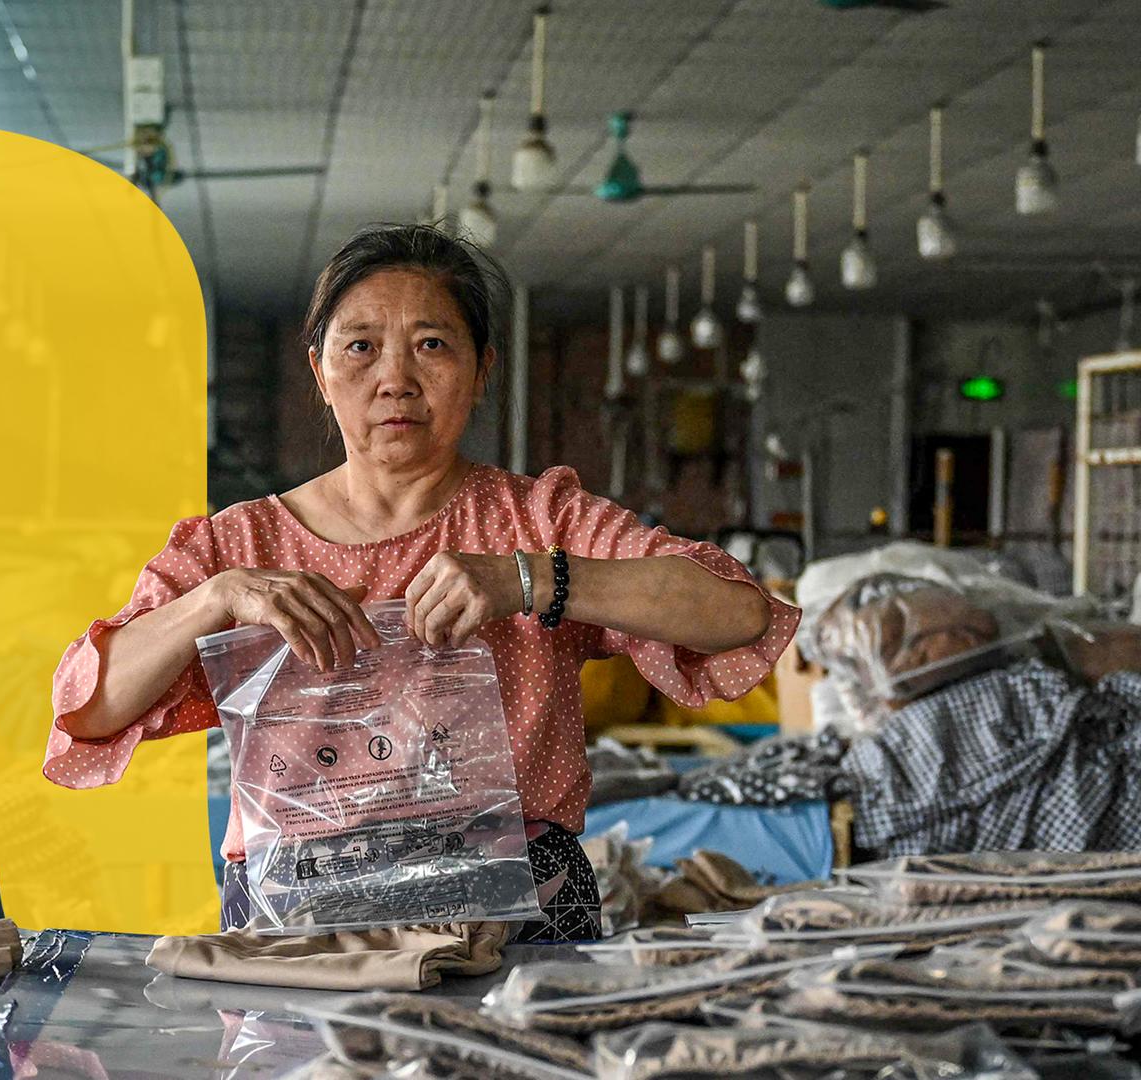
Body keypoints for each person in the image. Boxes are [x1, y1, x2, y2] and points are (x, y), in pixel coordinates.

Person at [42, 223, 799, 941]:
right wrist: (216, 600)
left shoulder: (540, 519)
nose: (394, 380)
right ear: (321, 372)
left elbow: (737, 614)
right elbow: (90, 704)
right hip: (298, 913)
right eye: (360, 348)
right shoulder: (240, 545)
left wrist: (533, 579)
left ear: (480, 370)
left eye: (431, 345)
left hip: (513, 908)